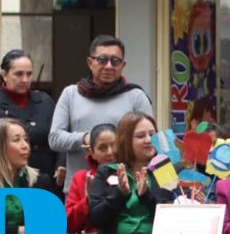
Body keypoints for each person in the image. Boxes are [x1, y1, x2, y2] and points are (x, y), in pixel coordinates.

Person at [50, 35, 154, 192]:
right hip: (80, 192)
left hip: (125, 191)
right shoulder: (71, 94)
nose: (109, 66)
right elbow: (54, 138)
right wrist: (86, 139)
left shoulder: (136, 96)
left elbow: (150, 142)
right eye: (102, 59)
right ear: (90, 63)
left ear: (123, 65)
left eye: (115, 61)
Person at [0, 49, 59, 180]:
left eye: (29, 74)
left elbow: (59, 134)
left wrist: (61, 163)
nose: (25, 79)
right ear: (4, 75)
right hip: (7, 179)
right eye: (19, 74)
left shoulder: (45, 102)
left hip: (46, 178)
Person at [87, 112, 173, 234]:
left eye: (152, 134)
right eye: (140, 136)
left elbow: (172, 218)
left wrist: (146, 197)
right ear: (125, 140)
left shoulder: (164, 168)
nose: (149, 140)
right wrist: (120, 194)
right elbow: (95, 219)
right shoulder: (106, 171)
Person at [65, 123, 116, 234]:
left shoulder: (131, 174)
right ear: (92, 153)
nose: (110, 152)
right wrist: (89, 198)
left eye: (114, 146)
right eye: (102, 148)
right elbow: (69, 224)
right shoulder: (81, 178)